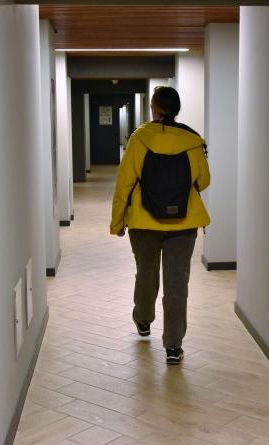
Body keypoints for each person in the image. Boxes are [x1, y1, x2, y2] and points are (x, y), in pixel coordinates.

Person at [110, 86, 210, 365]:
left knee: (146, 273)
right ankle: (173, 346)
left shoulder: (139, 138)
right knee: (177, 283)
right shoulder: (192, 140)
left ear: (154, 108)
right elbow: (203, 180)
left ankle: (143, 319)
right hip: (184, 223)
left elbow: (125, 182)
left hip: (144, 222)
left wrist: (118, 221)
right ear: (176, 109)